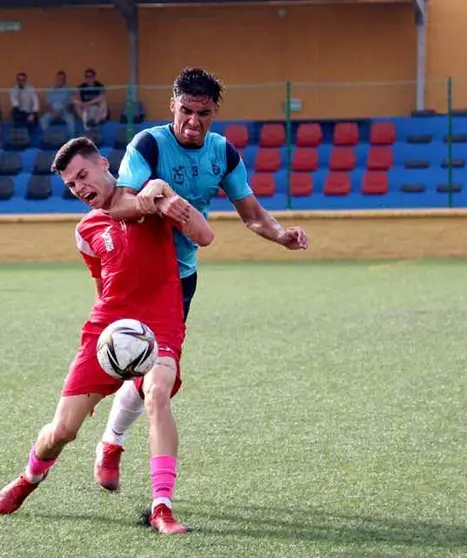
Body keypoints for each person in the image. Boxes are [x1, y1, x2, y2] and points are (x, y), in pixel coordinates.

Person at [92, 67, 310, 491]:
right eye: (186, 111)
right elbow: (117, 204)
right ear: (172, 105)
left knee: (154, 373)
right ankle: (61, 450)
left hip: (180, 277)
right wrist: (157, 201)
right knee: (110, 368)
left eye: (203, 114)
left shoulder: (223, 153)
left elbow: (252, 215)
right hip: (134, 271)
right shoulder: (149, 144)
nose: (193, 122)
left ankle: (111, 445)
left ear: (215, 112)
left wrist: (281, 235)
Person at [0, 137, 213, 535]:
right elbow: (102, 285)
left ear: (104, 165)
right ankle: (28, 479)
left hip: (161, 322)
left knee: (157, 395)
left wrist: (166, 197)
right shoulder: (85, 230)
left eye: (83, 175)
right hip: (107, 329)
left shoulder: (152, 194)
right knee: (63, 431)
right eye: (72, 186)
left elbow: (204, 235)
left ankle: (161, 506)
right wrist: (111, 339)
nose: (80, 188)